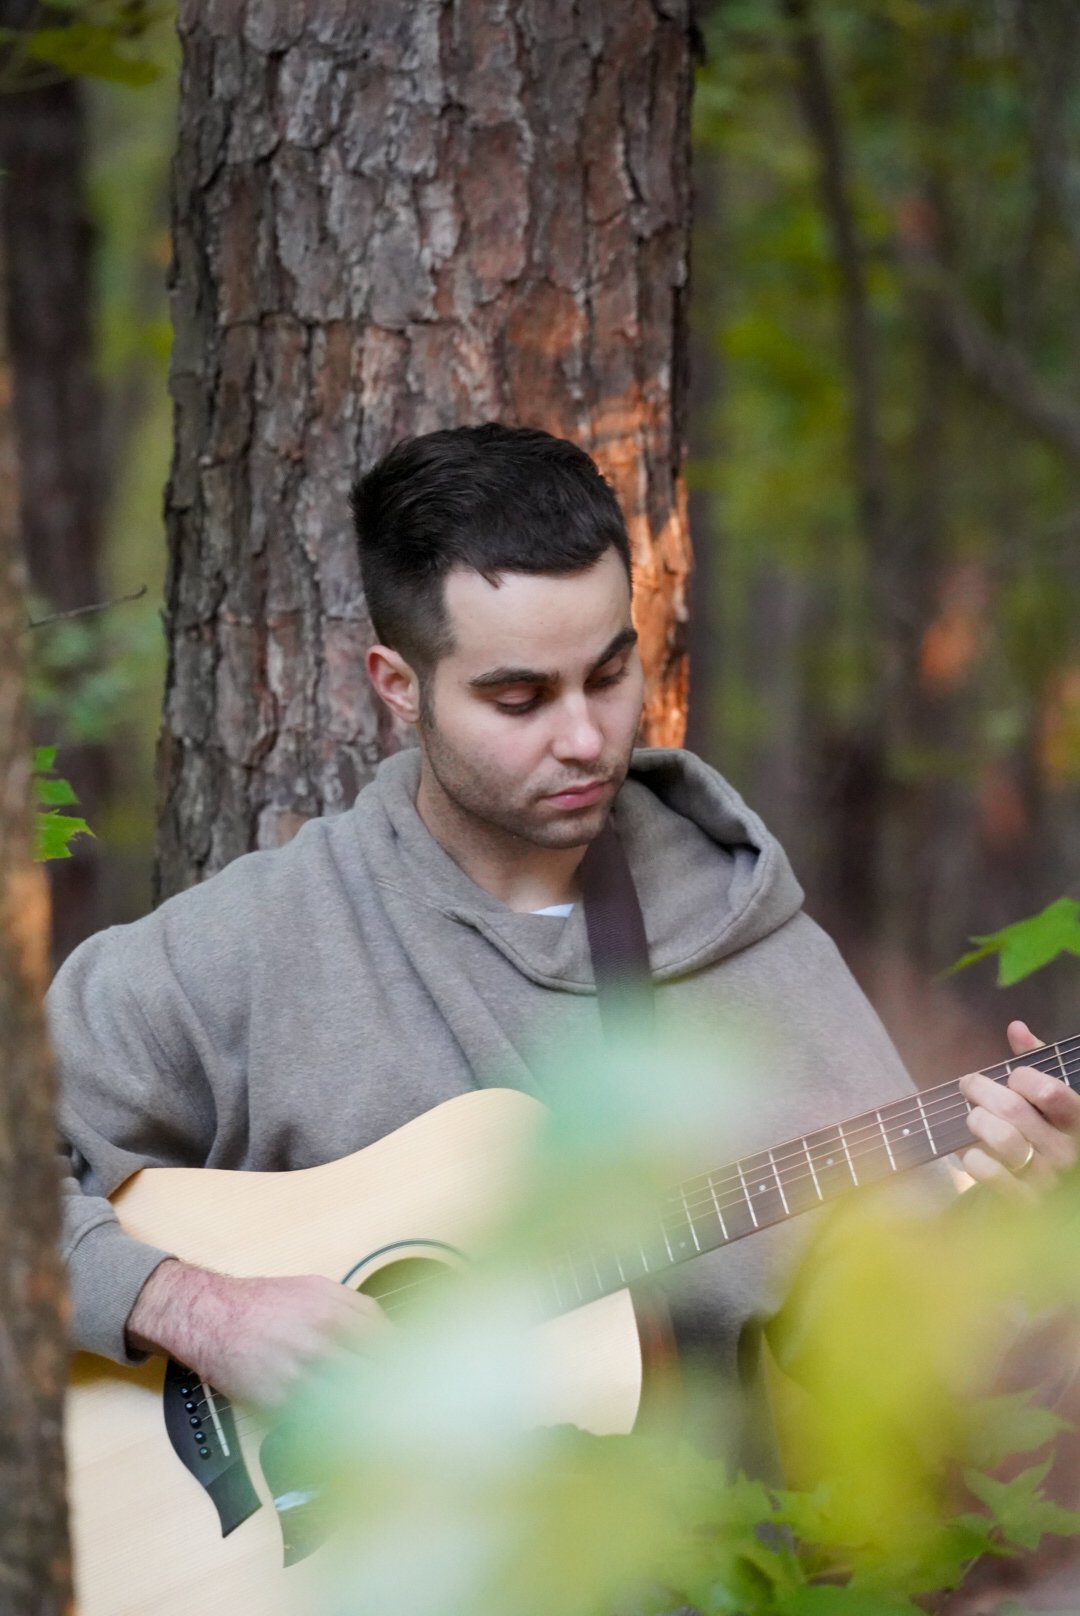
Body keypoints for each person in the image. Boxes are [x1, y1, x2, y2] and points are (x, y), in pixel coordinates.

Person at [49, 424, 1079, 1454]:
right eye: (521, 696)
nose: (585, 736)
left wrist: (1020, 1224)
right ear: (398, 684)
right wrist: (188, 1305)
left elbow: (914, 1385)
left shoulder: (751, 948)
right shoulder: (255, 945)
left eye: (609, 672)